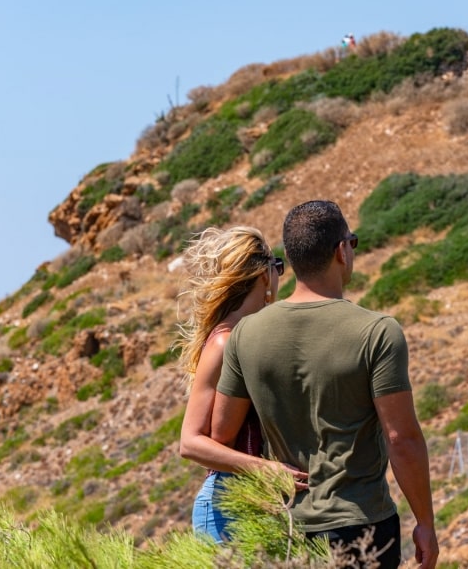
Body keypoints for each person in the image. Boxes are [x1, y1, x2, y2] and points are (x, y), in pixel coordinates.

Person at [213, 201, 438, 569]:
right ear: (341, 251)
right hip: (362, 528)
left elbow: (221, 434)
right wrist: (425, 524)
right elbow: (403, 439)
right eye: (353, 242)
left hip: (284, 530)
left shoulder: (245, 335)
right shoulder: (378, 332)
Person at [176, 226, 307, 543]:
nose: (280, 277)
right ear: (264, 275)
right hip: (225, 507)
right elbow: (190, 443)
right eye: (278, 267)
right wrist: (266, 470)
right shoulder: (224, 343)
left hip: (251, 502)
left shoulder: (245, 337)